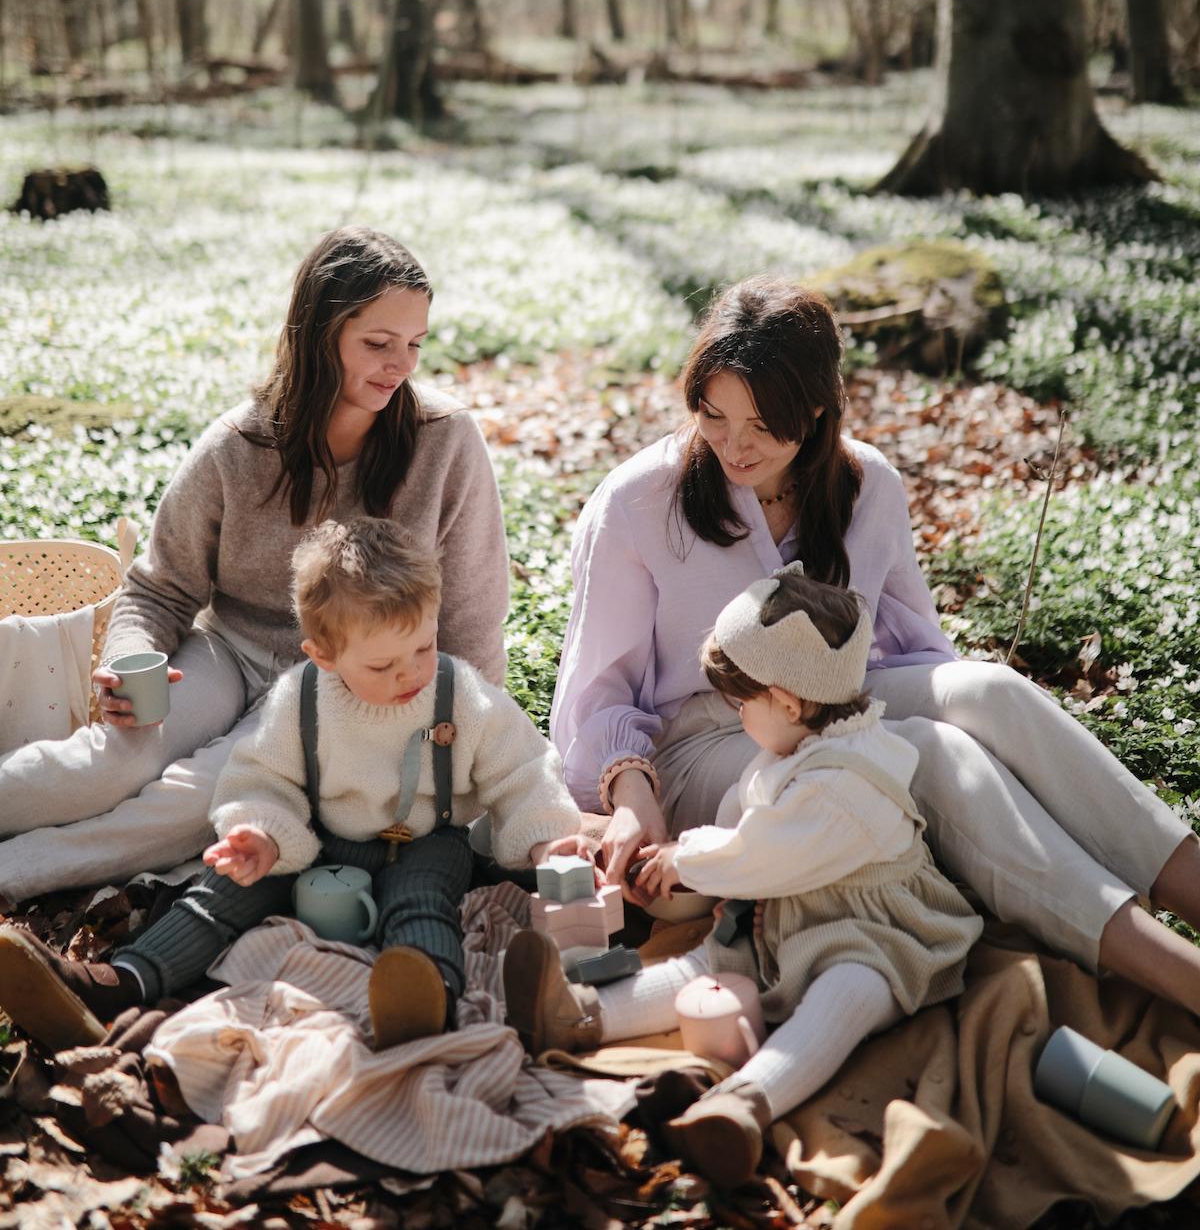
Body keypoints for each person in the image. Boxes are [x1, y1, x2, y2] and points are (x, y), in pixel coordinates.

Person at [550, 276, 1200, 1017]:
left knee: (989, 692)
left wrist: (950, 726)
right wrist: (633, 799)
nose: (734, 444)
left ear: (819, 408)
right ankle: (1175, 971)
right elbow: (599, 689)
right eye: (712, 414)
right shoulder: (639, 502)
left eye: (764, 424)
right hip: (701, 746)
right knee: (927, 758)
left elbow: (918, 653)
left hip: (834, 708)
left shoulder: (868, 488)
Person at [0, 227, 510, 904]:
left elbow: (474, 614)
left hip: (338, 683)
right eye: (378, 344)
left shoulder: (445, 442)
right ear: (320, 334)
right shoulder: (237, 446)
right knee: (109, 764)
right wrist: (128, 658)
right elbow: (158, 587)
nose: (400, 366)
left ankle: (19, 871)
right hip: (227, 650)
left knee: (206, 794)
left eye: (414, 344)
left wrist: (462, 728)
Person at [0, 517, 585, 1053]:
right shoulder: (302, 698)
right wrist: (261, 834)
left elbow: (523, 767)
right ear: (322, 656)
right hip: (320, 836)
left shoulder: (460, 694)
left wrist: (546, 839)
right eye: (381, 666)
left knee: (421, 902)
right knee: (221, 891)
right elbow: (260, 776)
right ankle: (120, 982)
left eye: (424, 648)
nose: (409, 673)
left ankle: (424, 995)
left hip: (425, 841)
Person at [507, 565, 982, 1187]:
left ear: (786, 701)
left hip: (870, 928)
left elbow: (762, 852)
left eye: (740, 704)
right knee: (706, 965)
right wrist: (684, 856)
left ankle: (747, 1103)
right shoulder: (795, 744)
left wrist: (689, 858)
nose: (736, 717)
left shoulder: (850, 782)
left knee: (848, 994)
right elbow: (744, 811)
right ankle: (575, 1013)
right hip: (781, 916)